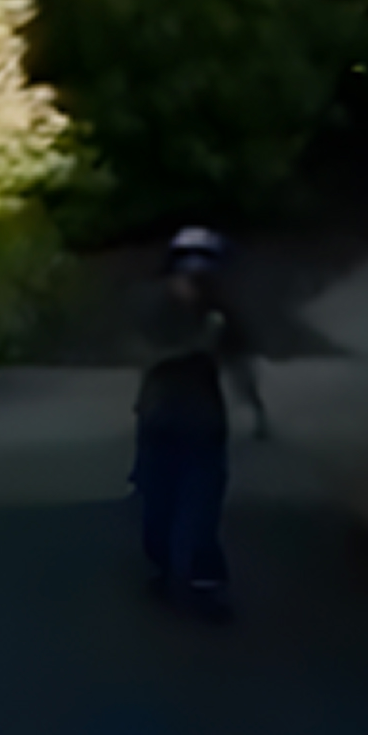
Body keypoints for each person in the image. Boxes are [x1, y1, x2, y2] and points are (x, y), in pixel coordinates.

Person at [132, 226, 265, 614]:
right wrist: (194, 348)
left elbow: (240, 362)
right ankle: (165, 567)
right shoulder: (154, 309)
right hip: (160, 415)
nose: (197, 281)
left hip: (202, 419)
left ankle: (202, 577)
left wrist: (256, 408)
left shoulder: (221, 311)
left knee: (201, 502)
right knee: (159, 501)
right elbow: (144, 356)